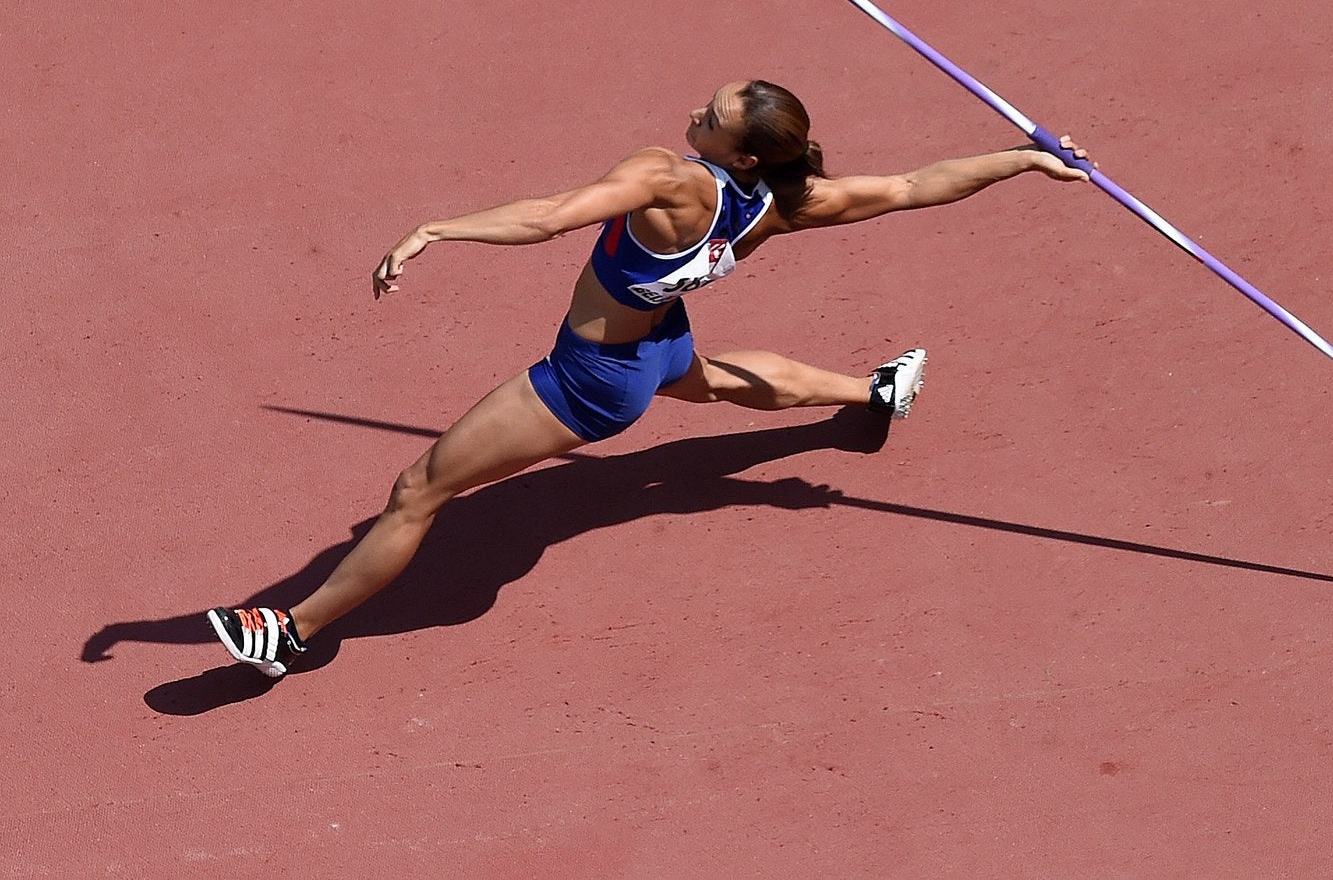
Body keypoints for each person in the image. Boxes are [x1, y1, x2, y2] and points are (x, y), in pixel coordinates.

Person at [208, 79, 1091, 676]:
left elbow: (551, 218)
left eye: (712, 115)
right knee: (710, 379)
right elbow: (909, 185)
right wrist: (1020, 157)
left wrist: (435, 228)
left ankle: (294, 631)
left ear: (743, 152)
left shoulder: (662, 179)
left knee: (416, 490)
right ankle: (874, 392)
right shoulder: (781, 205)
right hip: (656, 344)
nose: (695, 113)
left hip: (587, 378)